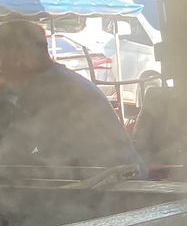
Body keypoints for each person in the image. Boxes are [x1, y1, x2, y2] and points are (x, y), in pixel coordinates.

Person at [0, 20, 143, 173]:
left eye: (3, 56)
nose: (2, 66)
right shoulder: (53, 81)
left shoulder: (51, 90)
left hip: (116, 182)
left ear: (22, 56)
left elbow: (14, 152)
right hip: (102, 178)